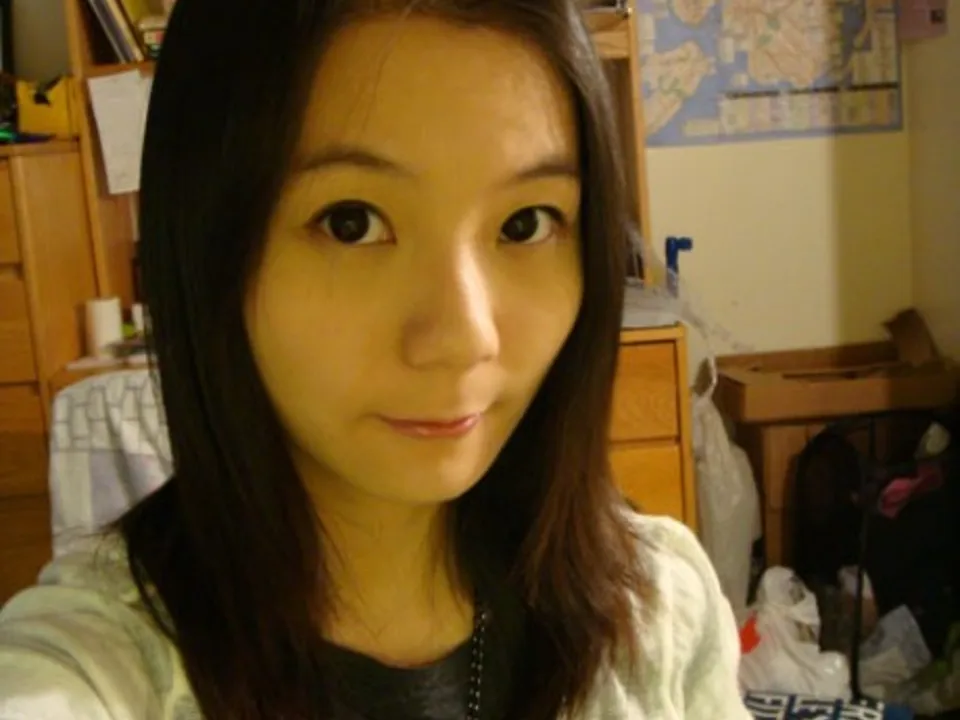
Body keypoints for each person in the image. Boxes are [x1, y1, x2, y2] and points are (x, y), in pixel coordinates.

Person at [0, 1, 750, 718]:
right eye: (351, 223)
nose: (466, 338)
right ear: (206, 248)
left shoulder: (661, 611)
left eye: (526, 223)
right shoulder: (100, 668)